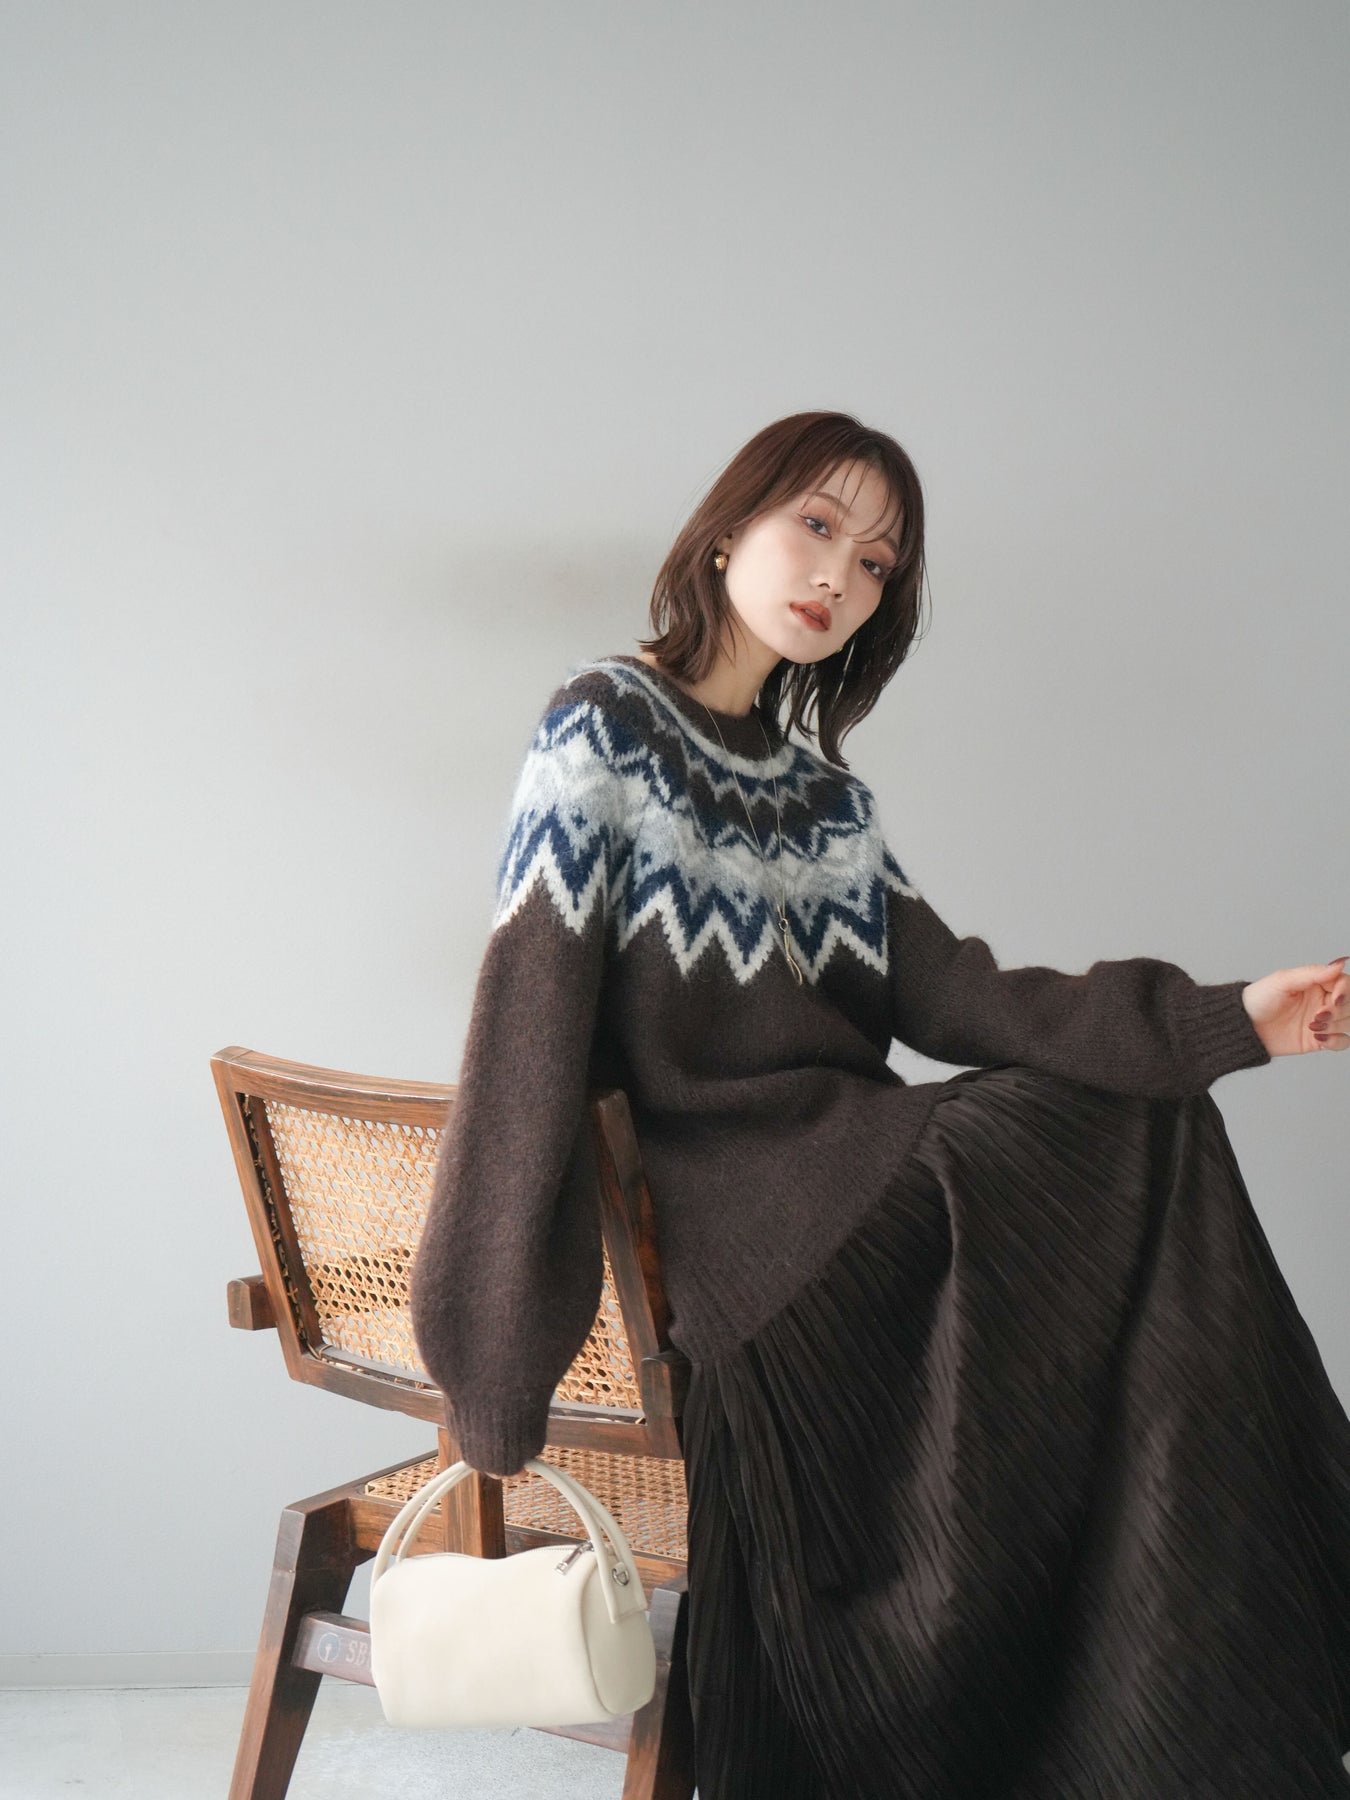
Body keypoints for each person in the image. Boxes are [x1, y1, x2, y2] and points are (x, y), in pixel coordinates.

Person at [409, 410, 1350, 1798]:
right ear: (726, 531)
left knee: (1162, 1124)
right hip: (742, 1231)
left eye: (874, 562)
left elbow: (962, 997)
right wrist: (493, 1371)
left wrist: (1229, 1020)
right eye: (815, 526)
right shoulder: (603, 726)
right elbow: (526, 1028)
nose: (837, 576)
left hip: (854, 1183)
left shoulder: (823, 802)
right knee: (1147, 1143)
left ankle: (1168, 1696)